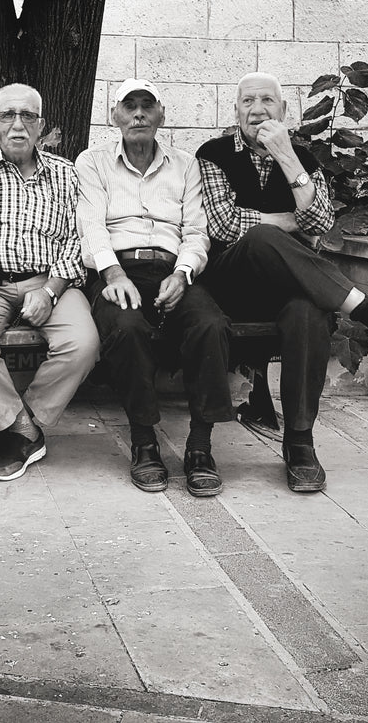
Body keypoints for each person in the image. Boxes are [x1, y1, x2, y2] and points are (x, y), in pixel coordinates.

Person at [197, 72, 368, 494]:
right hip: (228, 281)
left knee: (307, 313)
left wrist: (286, 156)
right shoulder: (212, 154)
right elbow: (225, 224)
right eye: (247, 101)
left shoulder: (303, 158)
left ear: (284, 112)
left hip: (285, 288)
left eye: (268, 100)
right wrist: (289, 223)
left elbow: (321, 224)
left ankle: (299, 441)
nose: (258, 109)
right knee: (261, 237)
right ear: (235, 111)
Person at [76, 78, 235, 498]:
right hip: (116, 269)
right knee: (127, 329)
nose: (139, 114)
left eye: (148, 106)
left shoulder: (185, 165)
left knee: (210, 325)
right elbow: (90, 225)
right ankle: (144, 442)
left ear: (162, 115)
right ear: (115, 116)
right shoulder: (92, 162)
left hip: (170, 269)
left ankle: (200, 447)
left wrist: (182, 274)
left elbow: (197, 231)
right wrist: (112, 275)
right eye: (129, 107)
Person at [0, 84, 99, 481]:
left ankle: (18, 423)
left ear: (41, 125)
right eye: (7, 116)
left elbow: (74, 240)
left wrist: (50, 292)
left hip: (49, 282)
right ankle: (23, 431)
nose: (18, 125)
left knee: (83, 344)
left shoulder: (65, 174)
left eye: (28, 116)